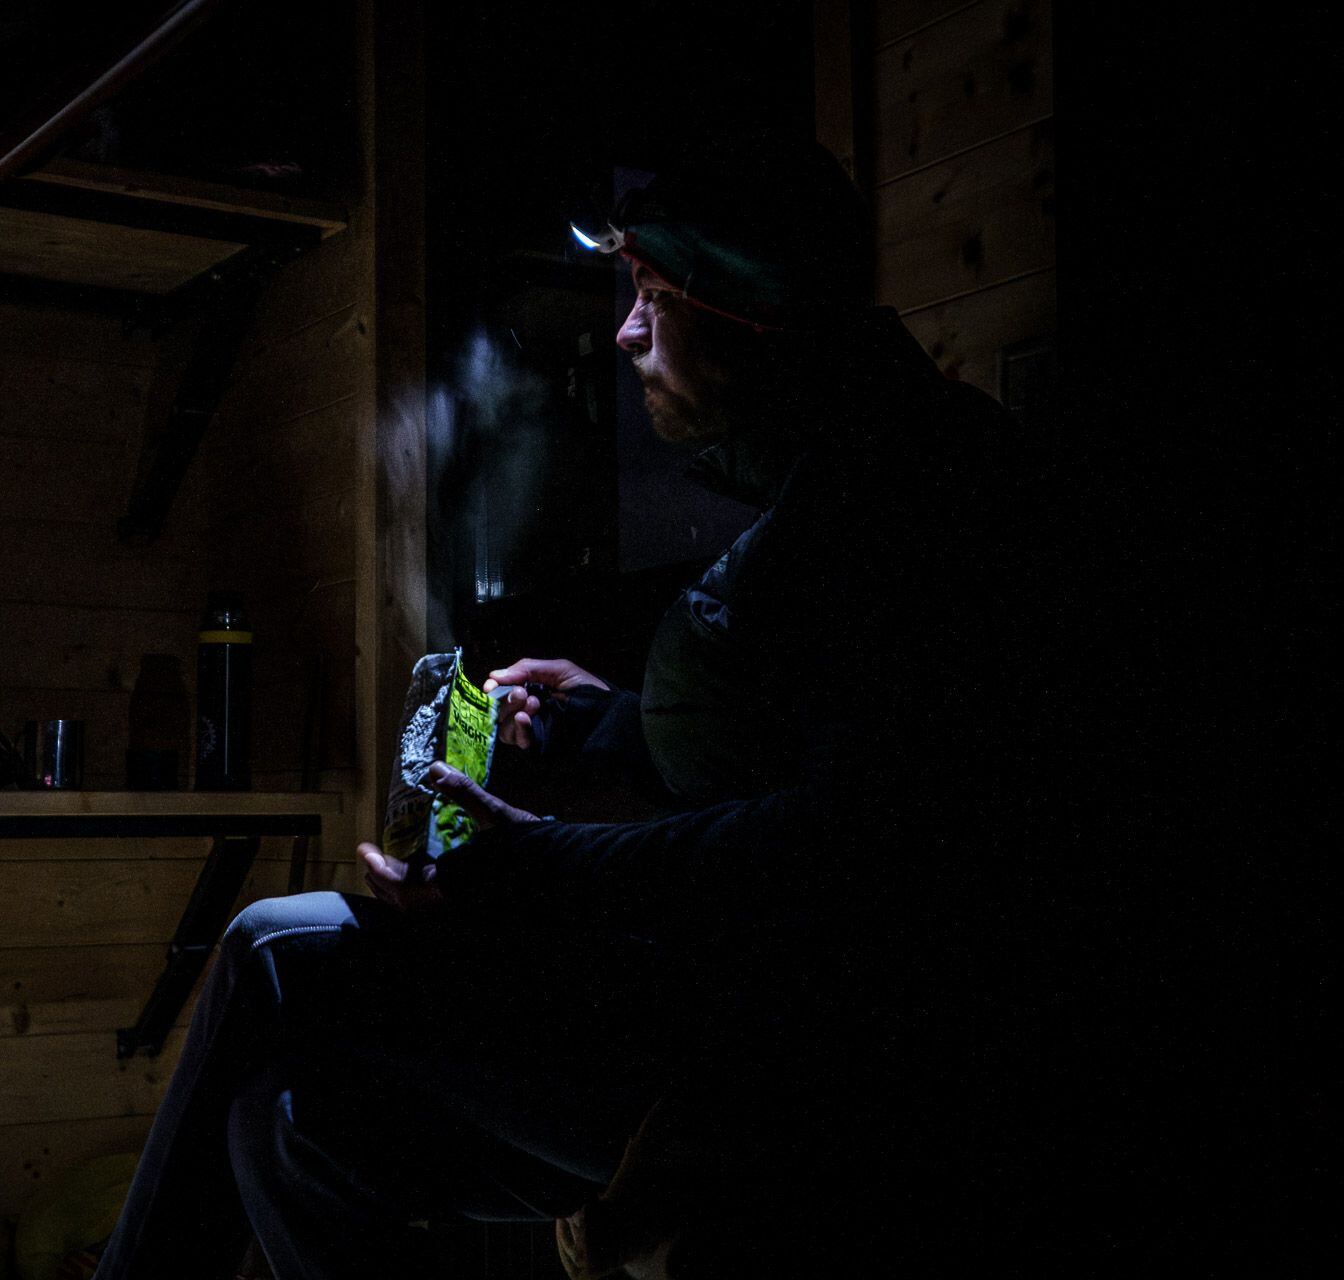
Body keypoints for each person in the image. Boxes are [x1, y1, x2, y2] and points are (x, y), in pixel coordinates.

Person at [92, 134, 1049, 1278]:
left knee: (269, 948)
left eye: (653, 295)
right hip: (702, 999)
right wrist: (610, 718)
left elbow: (849, 838)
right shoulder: (839, 475)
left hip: (782, 1061)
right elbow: (787, 742)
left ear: (752, 307)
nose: (626, 332)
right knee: (290, 1124)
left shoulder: (910, 493)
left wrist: (534, 864)